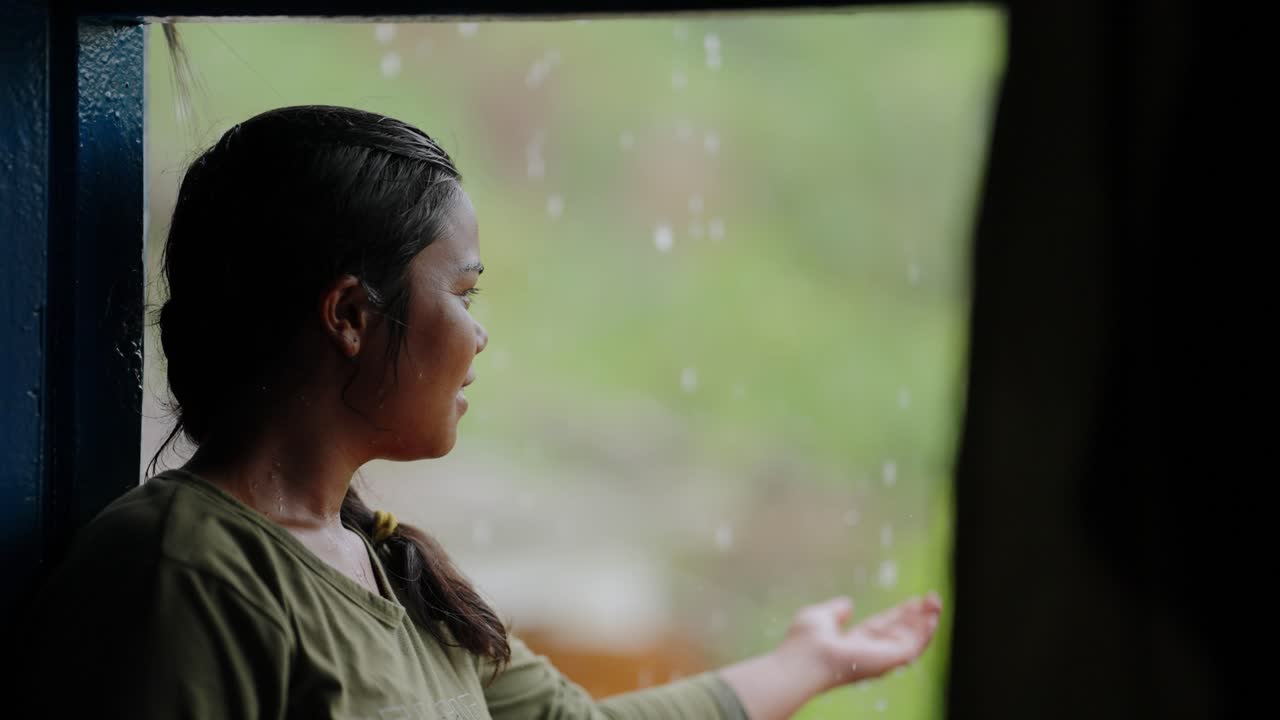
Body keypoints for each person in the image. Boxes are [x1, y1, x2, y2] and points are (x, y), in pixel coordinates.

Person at [17, 106, 942, 719]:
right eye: (464, 293)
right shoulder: (180, 574)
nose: (478, 336)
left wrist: (811, 661)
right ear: (349, 315)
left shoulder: (385, 565)